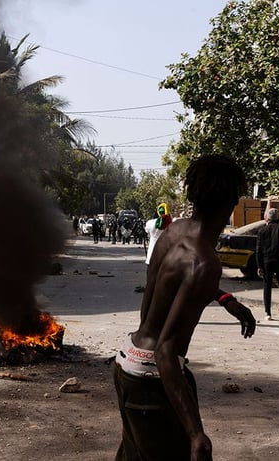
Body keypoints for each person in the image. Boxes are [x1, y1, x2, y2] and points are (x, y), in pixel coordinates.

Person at [113, 155, 256, 461]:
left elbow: (171, 281)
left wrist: (223, 298)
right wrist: (196, 434)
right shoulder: (205, 263)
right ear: (232, 201)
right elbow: (165, 351)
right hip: (153, 379)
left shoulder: (173, 231)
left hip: (127, 364)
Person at [256, 208, 279, 321]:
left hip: (267, 261)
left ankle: (268, 313)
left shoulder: (262, 231)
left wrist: (259, 265)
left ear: (267, 218)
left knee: (267, 287)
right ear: (277, 217)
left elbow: (258, 250)